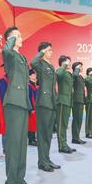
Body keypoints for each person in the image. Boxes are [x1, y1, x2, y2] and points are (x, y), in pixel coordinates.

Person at [2, 26, 35, 184]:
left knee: (22, 144)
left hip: (22, 103)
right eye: (18, 36)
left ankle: (20, 179)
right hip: (14, 103)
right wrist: (12, 38)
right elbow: (6, 51)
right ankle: (11, 182)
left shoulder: (21, 56)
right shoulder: (9, 55)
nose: (21, 38)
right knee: (14, 144)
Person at [31, 42, 62, 172]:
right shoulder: (40, 64)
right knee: (43, 134)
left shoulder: (50, 66)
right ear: (43, 51)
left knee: (48, 134)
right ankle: (42, 162)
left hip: (51, 102)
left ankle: (47, 159)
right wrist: (41, 52)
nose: (51, 52)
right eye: (49, 50)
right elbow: (33, 62)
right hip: (43, 103)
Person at [56, 55, 76, 153]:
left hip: (68, 101)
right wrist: (63, 65)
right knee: (61, 125)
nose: (69, 63)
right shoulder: (61, 70)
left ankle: (64, 144)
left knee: (64, 124)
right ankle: (61, 145)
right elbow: (58, 75)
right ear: (63, 62)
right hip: (62, 101)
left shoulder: (68, 73)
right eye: (68, 62)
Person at [71, 62, 86, 145]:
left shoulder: (80, 76)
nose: (82, 68)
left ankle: (77, 137)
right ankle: (75, 138)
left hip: (80, 100)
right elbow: (74, 76)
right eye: (80, 66)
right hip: (76, 100)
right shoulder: (74, 75)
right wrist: (76, 69)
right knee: (76, 119)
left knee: (79, 119)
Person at [0, 71, 9, 153]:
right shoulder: (3, 80)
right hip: (5, 107)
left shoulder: (12, 80)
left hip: (11, 108)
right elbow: (3, 96)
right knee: (5, 129)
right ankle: (5, 149)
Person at [27, 69, 38, 146]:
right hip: (31, 108)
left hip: (35, 108)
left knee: (34, 124)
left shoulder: (34, 85)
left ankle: (33, 139)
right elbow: (29, 98)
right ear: (30, 76)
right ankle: (31, 140)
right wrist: (31, 108)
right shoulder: (29, 86)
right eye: (33, 74)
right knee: (31, 125)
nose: (35, 76)